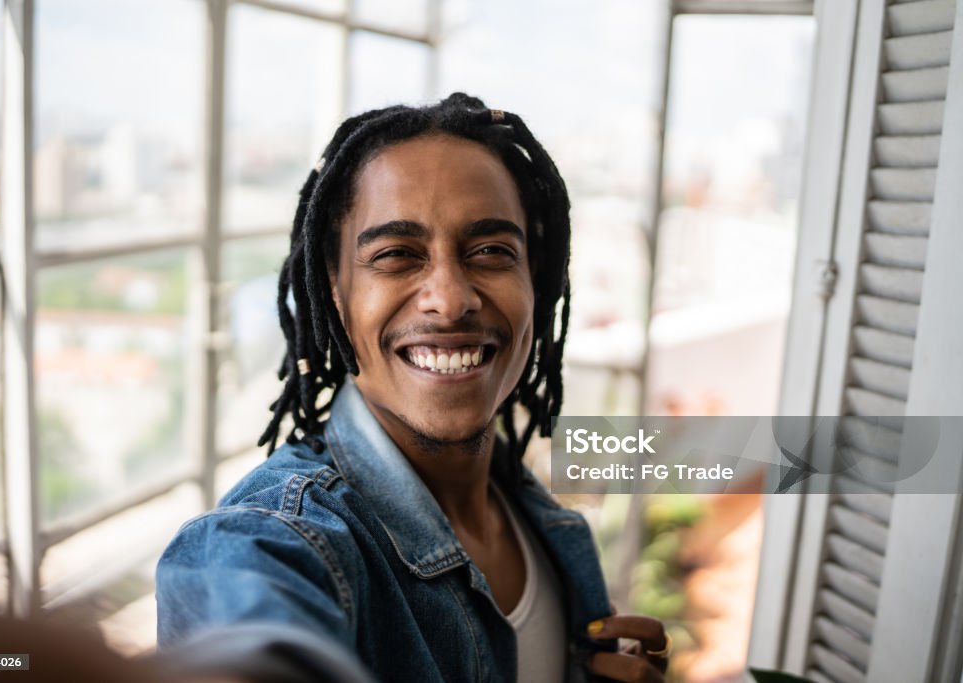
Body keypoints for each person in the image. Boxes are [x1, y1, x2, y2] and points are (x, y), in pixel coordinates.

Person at [156, 93, 671, 683]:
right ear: (334, 294)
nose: (450, 299)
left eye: (490, 252)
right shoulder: (272, 538)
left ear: (537, 279)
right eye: (397, 254)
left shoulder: (540, 523)